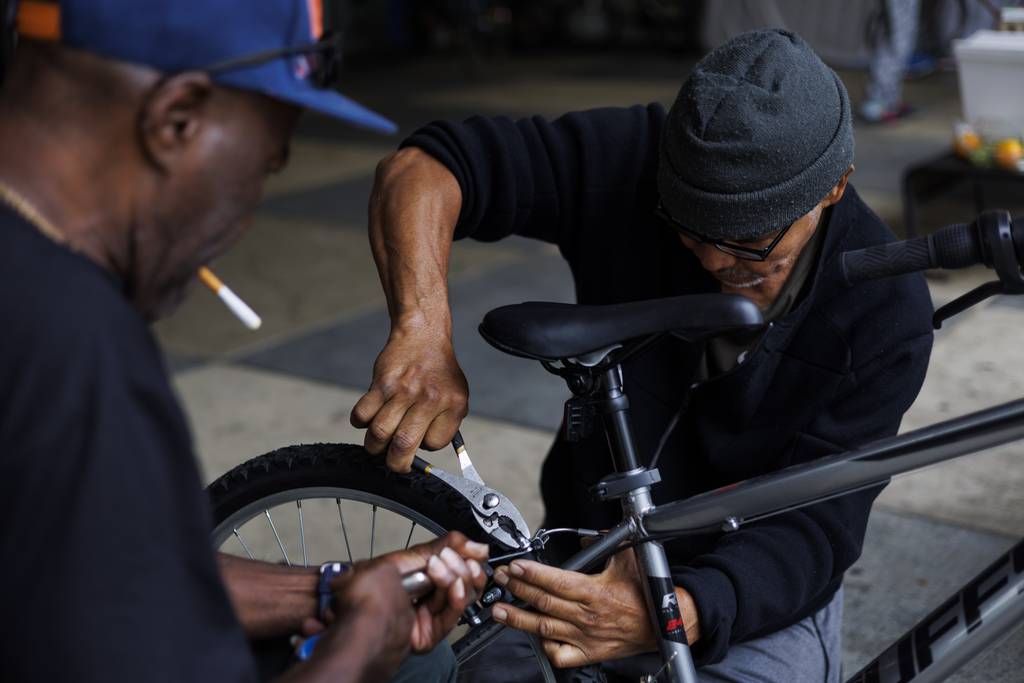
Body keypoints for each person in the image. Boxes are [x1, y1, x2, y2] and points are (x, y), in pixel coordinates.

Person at [351, 29, 934, 681]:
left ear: (833, 189)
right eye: (691, 231)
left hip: (747, 597)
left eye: (750, 245)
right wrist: (422, 325)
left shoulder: (885, 304)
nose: (715, 261)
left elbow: (818, 528)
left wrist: (676, 612)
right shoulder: (639, 158)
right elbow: (424, 168)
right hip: (588, 547)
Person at [0, 1, 488, 682]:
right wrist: (360, 648)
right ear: (176, 119)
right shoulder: (73, 349)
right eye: (265, 163)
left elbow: (99, 560)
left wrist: (327, 588)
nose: (244, 218)